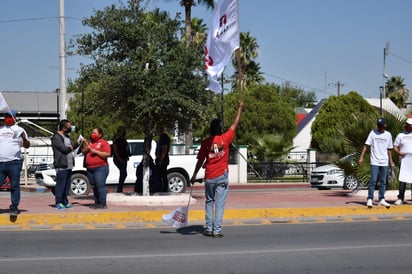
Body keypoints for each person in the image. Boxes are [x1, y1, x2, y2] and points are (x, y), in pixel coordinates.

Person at [190, 100, 244, 238]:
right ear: (220, 129)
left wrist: (194, 175)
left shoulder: (206, 143)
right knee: (219, 204)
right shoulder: (225, 139)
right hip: (221, 176)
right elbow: (235, 124)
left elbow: (200, 160)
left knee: (209, 202)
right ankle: (217, 230)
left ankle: (208, 228)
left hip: (209, 176)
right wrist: (240, 108)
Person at [0, 109, 30, 216]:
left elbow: (27, 145)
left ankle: (14, 207)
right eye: (6, 116)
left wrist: (23, 138)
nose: (7, 118)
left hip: (14, 162)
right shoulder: (1, 129)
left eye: (9, 116)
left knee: (14, 185)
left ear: (14, 117)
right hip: (1, 163)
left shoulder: (20, 130)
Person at [358, 117, 394, 208]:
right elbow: (366, 145)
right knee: (373, 180)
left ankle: (381, 199)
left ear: (385, 125)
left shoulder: (388, 135)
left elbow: (389, 149)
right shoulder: (373, 133)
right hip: (374, 161)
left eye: (381, 125)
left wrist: (390, 160)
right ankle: (370, 198)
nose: (380, 127)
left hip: (384, 161)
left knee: (383, 181)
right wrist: (361, 157)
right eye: (378, 125)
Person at [51, 119, 83, 210]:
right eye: (69, 127)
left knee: (66, 185)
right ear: (64, 128)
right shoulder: (56, 137)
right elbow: (64, 149)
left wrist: (78, 143)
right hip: (61, 165)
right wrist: (74, 145)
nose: (70, 128)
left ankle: (65, 202)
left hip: (69, 165)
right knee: (61, 184)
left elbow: (72, 145)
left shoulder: (67, 137)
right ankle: (58, 202)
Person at [82, 128, 111, 209]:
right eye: (92, 132)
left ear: (100, 134)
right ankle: (97, 202)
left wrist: (96, 152)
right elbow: (83, 151)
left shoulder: (103, 143)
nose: (92, 134)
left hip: (100, 168)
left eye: (94, 132)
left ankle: (102, 203)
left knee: (100, 185)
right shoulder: (89, 142)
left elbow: (107, 154)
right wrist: (85, 149)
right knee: (94, 185)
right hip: (90, 168)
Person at [393, 118, 412, 205]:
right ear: (407, 125)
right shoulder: (401, 135)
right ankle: (400, 198)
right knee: (403, 179)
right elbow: (395, 146)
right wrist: (399, 153)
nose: (410, 127)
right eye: (409, 125)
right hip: (404, 161)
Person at [112, 126, 130, 193]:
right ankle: (119, 188)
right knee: (123, 173)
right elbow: (115, 149)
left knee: (123, 173)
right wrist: (119, 158)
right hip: (119, 158)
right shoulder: (117, 139)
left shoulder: (123, 138)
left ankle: (120, 187)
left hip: (124, 158)